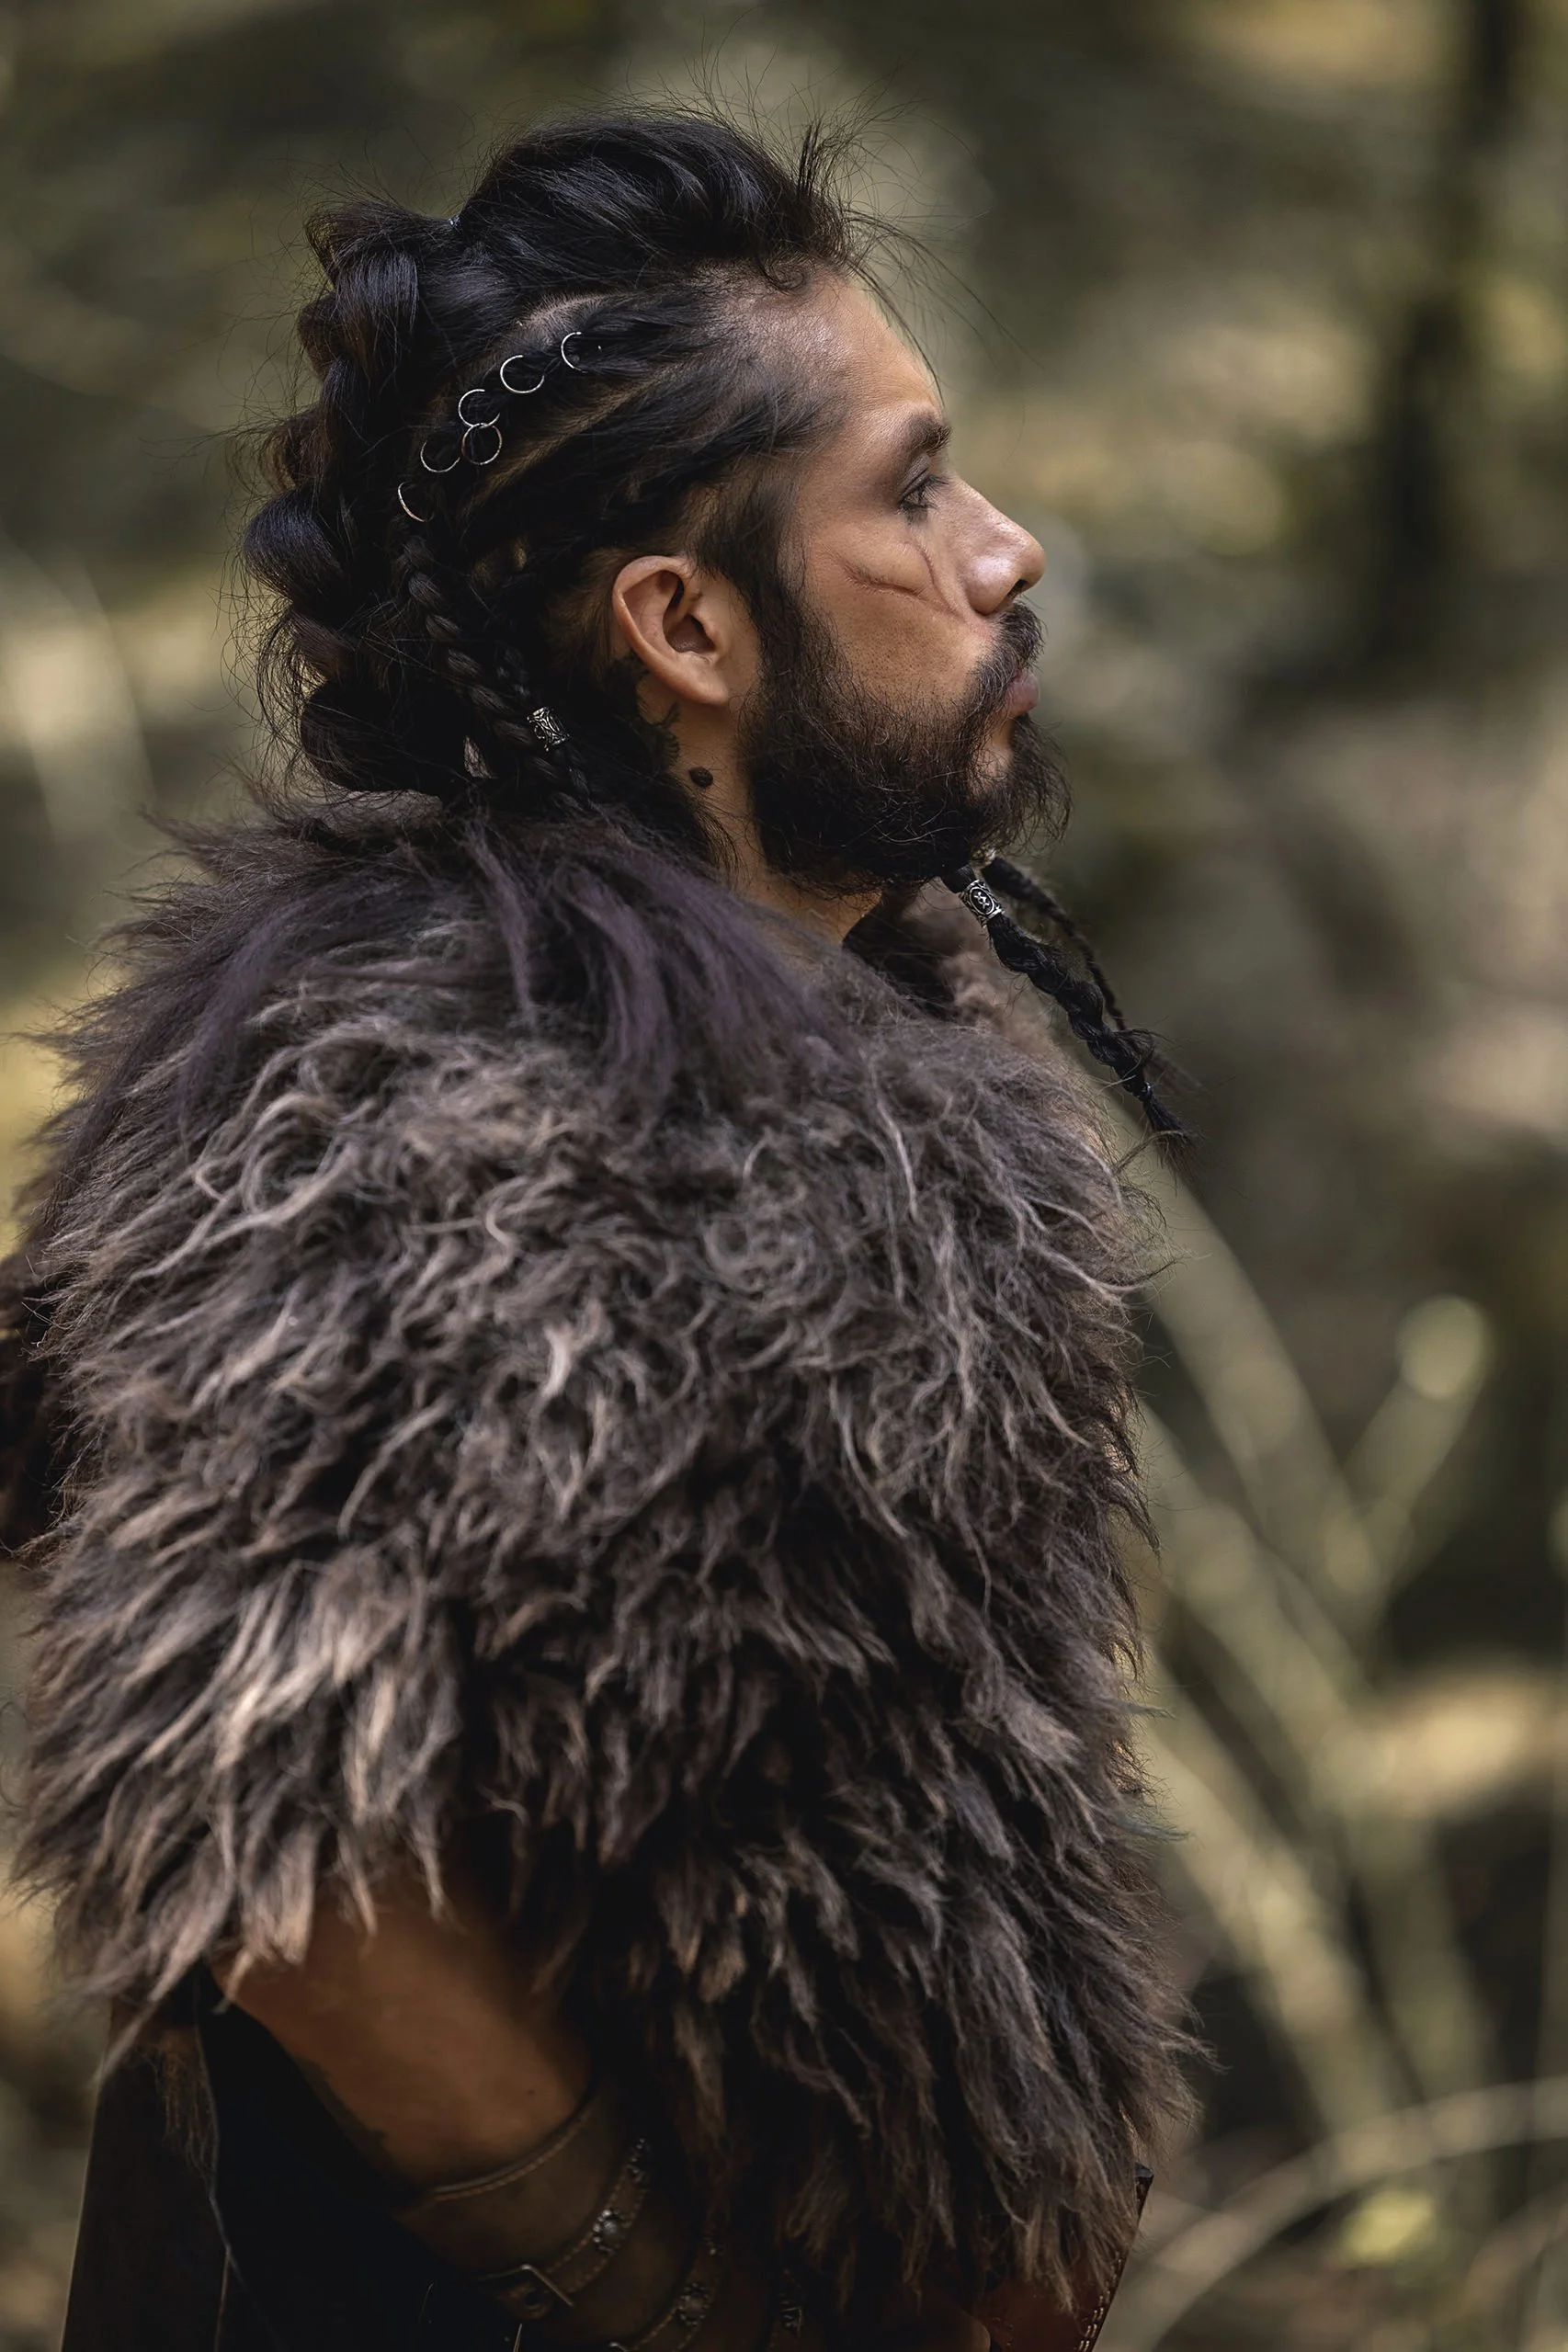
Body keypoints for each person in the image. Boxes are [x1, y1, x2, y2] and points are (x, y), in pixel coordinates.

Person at [0, 108, 1187, 2352]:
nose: (1005, 550)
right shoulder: (431, 1098)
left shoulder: (839, 1052)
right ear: (683, 622)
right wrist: (676, 2309)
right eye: (913, 490)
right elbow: (293, 1864)